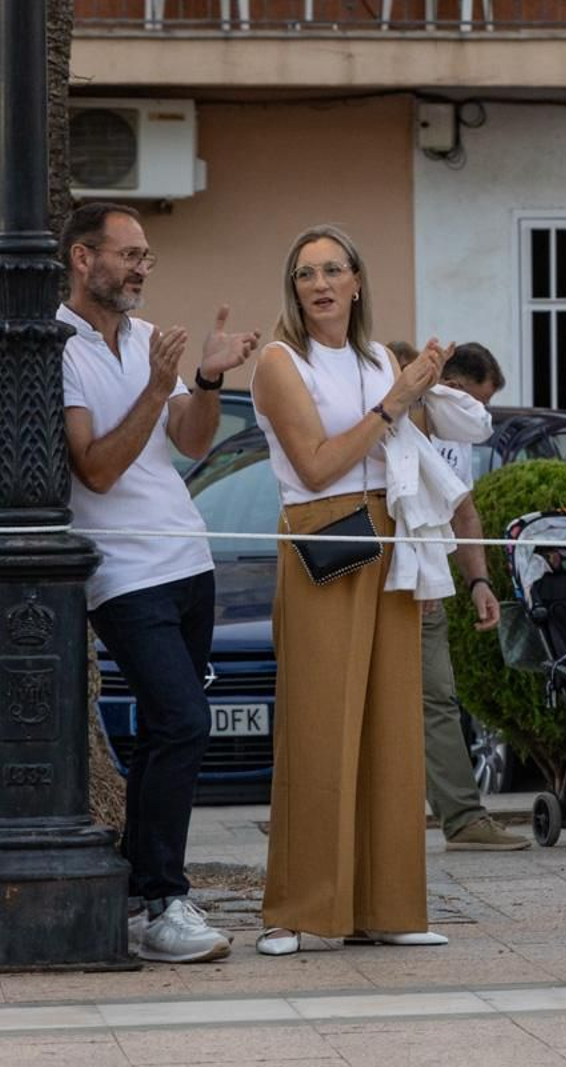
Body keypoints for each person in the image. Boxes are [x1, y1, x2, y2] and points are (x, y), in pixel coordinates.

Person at [60, 202, 259, 963]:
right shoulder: (56, 345)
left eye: (148, 255)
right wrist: (156, 386)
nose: (144, 266)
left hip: (188, 559)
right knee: (183, 722)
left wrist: (205, 375)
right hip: (124, 571)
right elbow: (98, 470)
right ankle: (166, 898)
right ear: (84, 259)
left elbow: (193, 439)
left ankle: (144, 895)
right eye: (130, 253)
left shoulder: (148, 338)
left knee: (162, 729)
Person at [250, 224, 453, 955]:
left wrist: (416, 388)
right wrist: (396, 400)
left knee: (391, 726)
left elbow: (407, 457)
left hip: (391, 534)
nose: (321, 283)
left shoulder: (377, 357)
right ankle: (299, 911)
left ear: (358, 281)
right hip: (323, 534)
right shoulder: (281, 361)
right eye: (307, 273)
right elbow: (314, 465)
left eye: (334, 269)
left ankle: (388, 907)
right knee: (319, 726)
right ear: (294, 288)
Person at [394, 340, 530, 852]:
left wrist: (478, 582)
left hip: (430, 582)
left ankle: (463, 817)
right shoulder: (396, 410)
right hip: (384, 576)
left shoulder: (456, 430)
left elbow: (463, 509)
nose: (478, 413)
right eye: (474, 398)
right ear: (446, 383)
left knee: (437, 698)